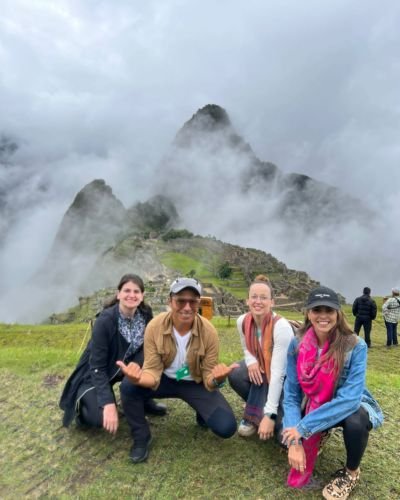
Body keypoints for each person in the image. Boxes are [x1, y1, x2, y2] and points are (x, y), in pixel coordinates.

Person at [118, 277, 238, 463]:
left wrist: (217, 379)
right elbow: (152, 371)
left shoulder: (209, 332)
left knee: (226, 427)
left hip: (194, 381)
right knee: (128, 387)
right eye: (181, 300)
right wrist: (137, 379)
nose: (187, 307)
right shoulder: (155, 327)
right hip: (164, 379)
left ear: (198, 303)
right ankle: (141, 436)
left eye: (193, 301)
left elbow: (208, 377)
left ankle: (202, 413)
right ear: (170, 301)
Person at [282, 286, 383, 500]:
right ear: (308, 313)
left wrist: (302, 429)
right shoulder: (297, 342)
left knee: (357, 419)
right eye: (317, 310)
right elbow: (291, 394)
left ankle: (351, 473)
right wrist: (294, 442)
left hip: (342, 404)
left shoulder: (355, 346)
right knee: (284, 437)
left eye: (329, 310)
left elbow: (349, 400)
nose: (323, 316)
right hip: (311, 402)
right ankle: (321, 430)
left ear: (338, 313)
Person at [59, 273, 166, 433]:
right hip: (99, 370)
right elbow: (97, 366)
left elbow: (148, 345)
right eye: (127, 290)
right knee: (99, 418)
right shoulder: (105, 321)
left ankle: (143, 401)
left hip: (126, 365)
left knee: (154, 363)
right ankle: (83, 410)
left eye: (136, 291)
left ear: (142, 296)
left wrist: (136, 365)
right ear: (118, 294)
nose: (131, 295)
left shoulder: (145, 314)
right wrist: (108, 402)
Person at [227, 274, 293, 441]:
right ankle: (255, 411)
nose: (258, 301)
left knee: (283, 438)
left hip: (286, 379)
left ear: (272, 302)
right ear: (247, 300)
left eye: (263, 297)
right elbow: (246, 347)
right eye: (254, 297)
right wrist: (251, 362)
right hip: (264, 370)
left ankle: (266, 412)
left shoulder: (281, 327)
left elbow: (278, 374)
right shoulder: (242, 321)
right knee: (236, 373)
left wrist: (270, 414)